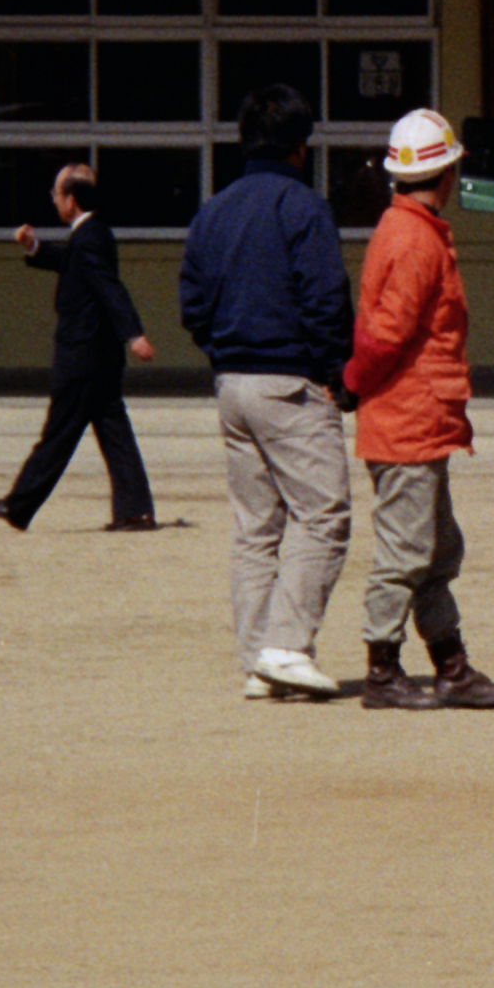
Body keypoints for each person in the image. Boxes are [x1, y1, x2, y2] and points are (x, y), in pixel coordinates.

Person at [176, 81, 357, 701]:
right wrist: (338, 372)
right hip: (290, 382)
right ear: (301, 147)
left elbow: (192, 304)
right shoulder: (303, 207)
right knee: (323, 513)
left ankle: (257, 658)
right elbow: (325, 298)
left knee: (256, 528)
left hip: (232, 382)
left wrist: (223, 351)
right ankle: (287, 645)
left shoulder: (213, 209)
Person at [341, 109, 494, 712]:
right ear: (444, 175)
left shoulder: (407, 230)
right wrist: (355, 382)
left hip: (415, 420)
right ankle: (383, 672)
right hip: (409, 421)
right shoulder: (417, 239)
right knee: (409, 553)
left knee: (436, 551)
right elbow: (389, 336)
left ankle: (451, 667)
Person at [0, 162, 159, 534]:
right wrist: (34, 247)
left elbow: (108, 288)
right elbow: (72, 264)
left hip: (85, 354)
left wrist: (134, 333)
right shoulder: (90, 234)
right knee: (114, 431)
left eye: (56, 193)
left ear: (71, 199)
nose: (53, 200)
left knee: (59, 433)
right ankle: (135, 510)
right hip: (98, 354)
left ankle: (19, 505)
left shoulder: (91, 236)